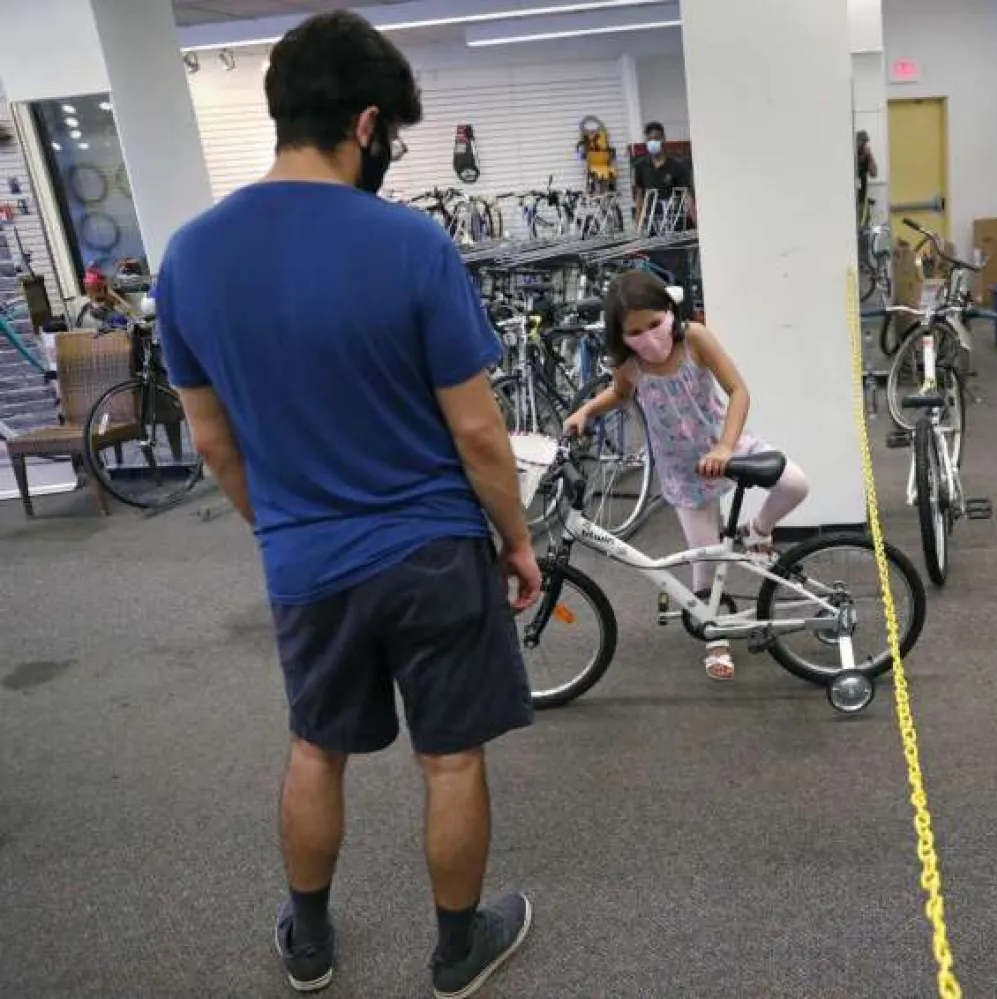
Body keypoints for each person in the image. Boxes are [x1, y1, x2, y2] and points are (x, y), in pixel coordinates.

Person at [154, 11, 541, 996]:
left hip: (306, 563)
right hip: (432, 551)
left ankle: (311, 943)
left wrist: (282, 527)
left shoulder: (190, 258)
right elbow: (481, 435)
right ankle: (458, 950)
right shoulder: (410, 245)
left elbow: (211, 444)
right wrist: (518, 539)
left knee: (314, 746)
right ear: (367, 124)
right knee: (450, 759)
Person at [563, 270, 808, 681]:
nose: (648, 337)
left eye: (654, 324)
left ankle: (758, 531)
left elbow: (738, 391)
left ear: (670, 313)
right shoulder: (630, 362)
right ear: (620, 335)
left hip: (723, 445)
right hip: (681, 468)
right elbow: (621, 394)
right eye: (634, 332)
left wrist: (726, 447)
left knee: (795, 483)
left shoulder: (695, 339)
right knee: (706, 557)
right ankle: (714, 636)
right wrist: (587, 409)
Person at [631, 120, 696, 231]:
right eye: (649, 139)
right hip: (653, 224)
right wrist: (638, 226)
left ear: (663, 139)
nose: (653, 142)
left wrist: (697, 224)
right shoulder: (640, 166)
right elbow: (639, 198)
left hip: (674, 222)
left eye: (656, 138)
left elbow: (687, 197)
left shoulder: (676, 166)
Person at [855, 129, 878, 227]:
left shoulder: (866, 155)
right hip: (850, 200)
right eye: (862, 141)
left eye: (865, 142)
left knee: (864, 226)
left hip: (862, 200)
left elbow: (874, 173)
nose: (864, 144)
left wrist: (869, 156)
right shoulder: (850, 155)